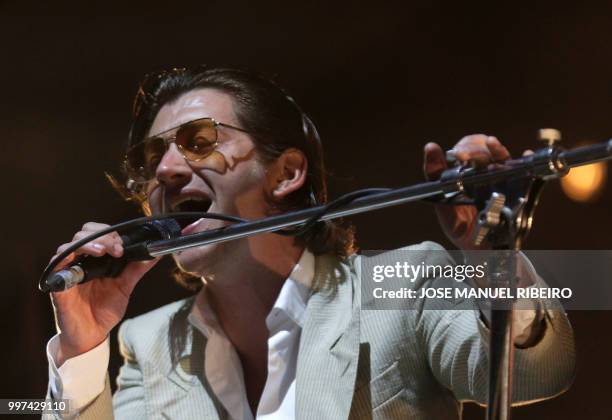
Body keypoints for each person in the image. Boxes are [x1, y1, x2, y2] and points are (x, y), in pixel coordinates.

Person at [44, 66, 575, 419]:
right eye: (150, 159)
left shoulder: (404, 282)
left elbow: (537, 372)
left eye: (199, 142)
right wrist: (80, 351)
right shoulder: (148, 341)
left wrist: (493, 259)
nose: (165, 170)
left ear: (286, 172)